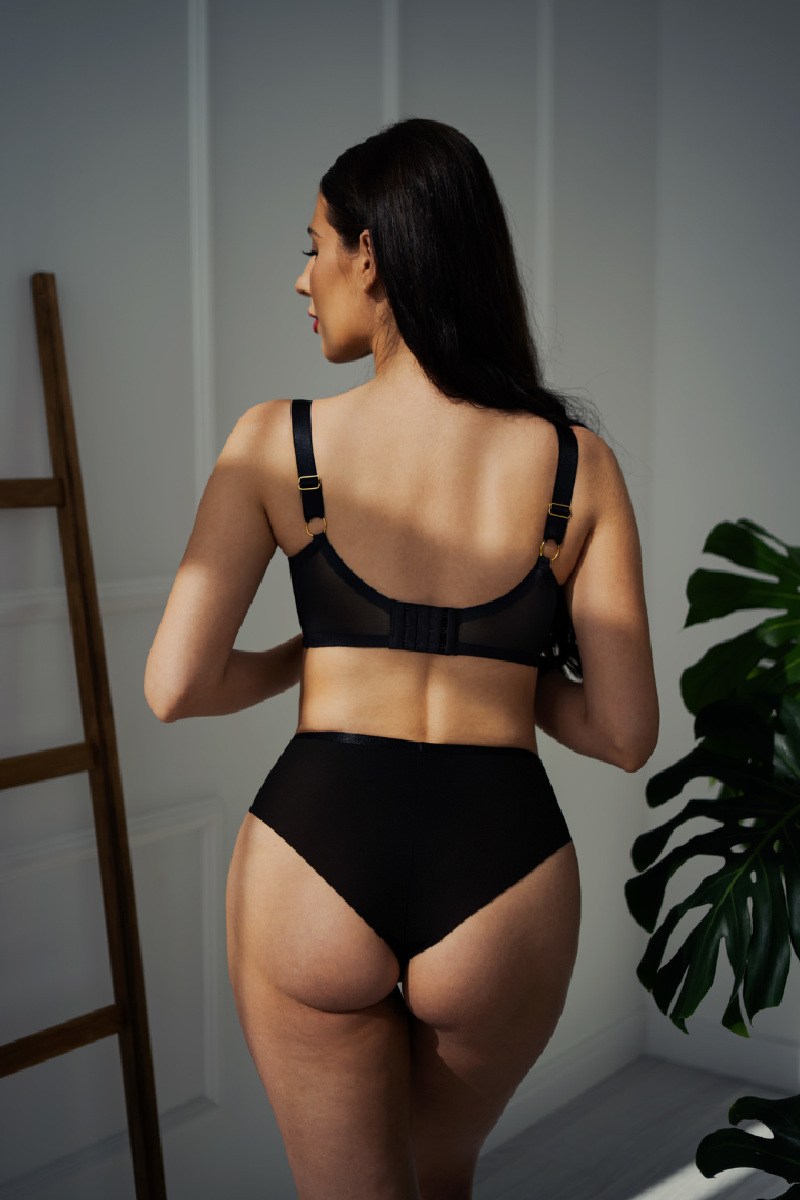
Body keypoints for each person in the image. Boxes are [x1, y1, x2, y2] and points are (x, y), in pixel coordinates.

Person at [144, 117, 659, 1200]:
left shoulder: (274, 442)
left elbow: (175, 686)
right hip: (504, 870)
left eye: (314, 246)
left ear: (369, 254)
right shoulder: (579, 464)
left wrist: (312, 655)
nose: (302, 279)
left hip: (313, 857)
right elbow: (622, 734)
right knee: (441, 1180)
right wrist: (503, 668)